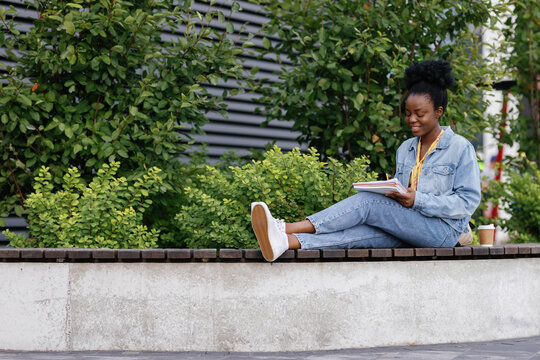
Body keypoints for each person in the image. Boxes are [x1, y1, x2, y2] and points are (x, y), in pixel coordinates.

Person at [251, 59, 481, 262]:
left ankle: (285, 227)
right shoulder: (406, 148)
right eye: (408, 113)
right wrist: (394, 193)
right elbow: (401, 196)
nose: (412, 119)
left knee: (369, 202)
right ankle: (287, 242)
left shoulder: (459, 148)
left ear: (438, 111)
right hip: (412, 226)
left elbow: (466, 202)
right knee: (363, 232)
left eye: (419, 114)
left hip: (443, 232)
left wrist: (418, 200)